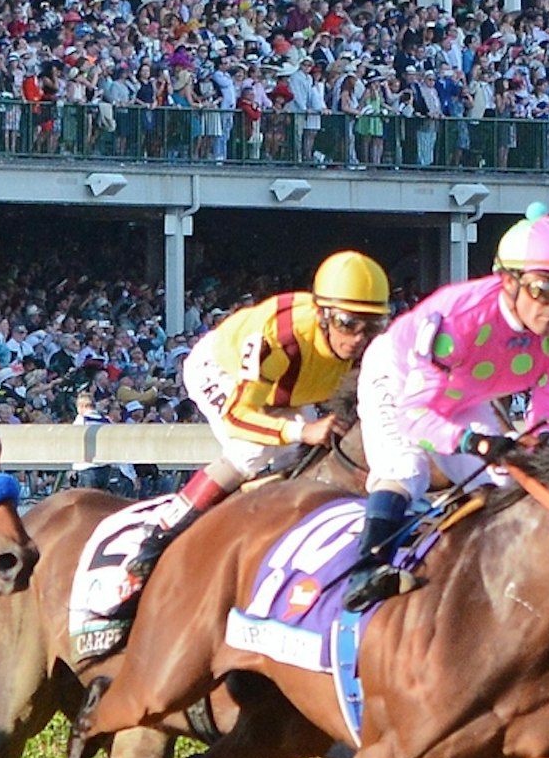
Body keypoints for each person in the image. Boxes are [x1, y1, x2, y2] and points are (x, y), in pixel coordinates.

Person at [103, 250, 393, 607]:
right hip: (223, 372)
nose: (359, 339)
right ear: (323, 317)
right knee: (252, 450)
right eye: (348, 324)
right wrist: (303, 432)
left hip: (290, 385)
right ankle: (159, 535)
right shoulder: (278, 337)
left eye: (373, 326)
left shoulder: (365, 343)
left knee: (306, 460)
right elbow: (241, 414)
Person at [338, 208, 549, 611]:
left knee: (508, 482)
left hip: (464, 396)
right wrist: (475, 442)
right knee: (407, 468)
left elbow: (546, 409)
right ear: (509, 282)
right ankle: (367, 568)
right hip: (399, 380)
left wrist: (539, 441)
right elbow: (415, 416)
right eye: (544, 290)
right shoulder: (460, 321)